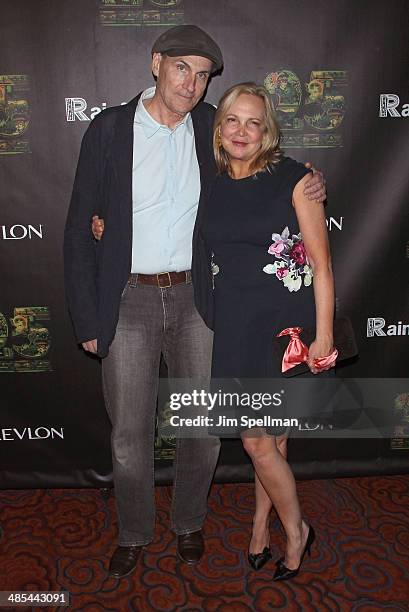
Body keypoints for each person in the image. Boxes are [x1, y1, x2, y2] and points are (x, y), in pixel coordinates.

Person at [65, 24, 327, 579]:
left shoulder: (213, 127)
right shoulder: (109, 130)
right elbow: (76, 226)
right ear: (156, 63)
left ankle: (189, 524)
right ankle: (135, 532)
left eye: (203, 74)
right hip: (128, 298)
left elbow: (264, 162)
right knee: (130, 434)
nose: (192, 82)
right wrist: (88, 315)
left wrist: (309, 181)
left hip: (199, 301)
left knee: (204, 430)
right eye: (182, 67)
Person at [198, 83, 336, 580]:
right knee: (270, 443)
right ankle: (261, 525)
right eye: (233, 119)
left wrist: (323, 338)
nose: (242, 131)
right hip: (236, 327)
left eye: (254, 122)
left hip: (286, 327)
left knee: (258, 441)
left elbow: (322, 266)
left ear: (267, 131)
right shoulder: (210, 181)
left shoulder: (296, 179)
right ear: (219, 127)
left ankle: (295, 531)